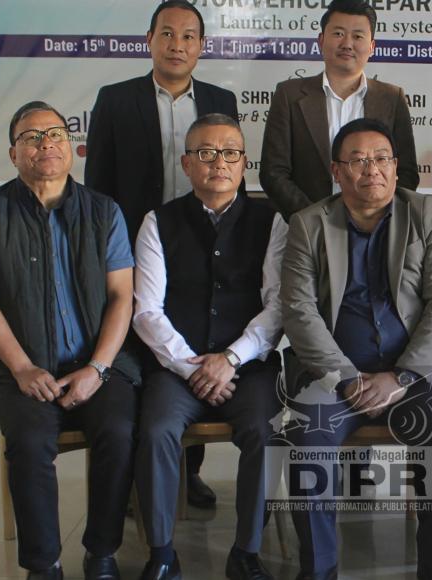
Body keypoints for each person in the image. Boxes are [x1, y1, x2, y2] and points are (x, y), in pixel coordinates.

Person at [0, 101, 138, 580]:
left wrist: (98, 368)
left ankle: (102, 551)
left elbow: (122, 296)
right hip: (26, 369)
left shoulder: (103, 211)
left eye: (55, 133)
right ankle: (43, 564)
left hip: (98, 364)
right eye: (31, 137)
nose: (46, 144)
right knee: (30, 442)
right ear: (14, 153)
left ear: (71, 144)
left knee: (120, 432)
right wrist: (21, 367)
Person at [280, 118, 432, 580]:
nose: (372, 170)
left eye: (382, 158)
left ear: (397, 167)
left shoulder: (425, 213)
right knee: (306, 438)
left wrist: (402, 377)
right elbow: (300, 311)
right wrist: (346, 378)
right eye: (358, 160)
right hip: (334, 374)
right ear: (336, 170)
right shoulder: (308, 224)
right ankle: (318, 570)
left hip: (414, 372)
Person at [85, 0, 238, 508]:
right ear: (149, 40)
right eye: (167, 34)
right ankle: (138, 474)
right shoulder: (115, 99)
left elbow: (228, 175)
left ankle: (188, 470)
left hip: (200, 244)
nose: (178, 44)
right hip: (134, 248)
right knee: (143, 353)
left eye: (189, 36)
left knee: (194, 342)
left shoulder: (220, 99)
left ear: (202, 45)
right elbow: (98, 187)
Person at [132, 114, 286, 580]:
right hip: (177, 369)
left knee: (264, 431)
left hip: (248, 368)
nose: (219, 162)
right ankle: (161, 552)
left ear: (244, 162)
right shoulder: (157, 221)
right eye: (206, 153)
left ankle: (247, 551)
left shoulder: (271, 221)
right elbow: (146, 310)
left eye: (230, 153)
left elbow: (278, 305)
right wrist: (192, 367)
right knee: (156, 430)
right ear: (186, 163)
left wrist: (231, 359)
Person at [260, 0, 418, 221]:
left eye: (358, 36)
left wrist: (376, 219)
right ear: (321, 41)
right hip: (305, 226)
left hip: (376, 227)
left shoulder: (392, 98)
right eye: (338, 34)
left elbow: (406, 173)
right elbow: (273, 172)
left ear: (372, 46)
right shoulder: (289, 95)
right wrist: (314, 221)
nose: (347, 44)